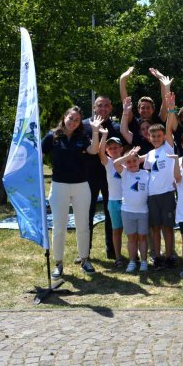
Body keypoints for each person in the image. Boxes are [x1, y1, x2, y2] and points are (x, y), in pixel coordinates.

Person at [42, 107, 102, 279]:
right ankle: (58, 263)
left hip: (81, 186)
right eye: (71, 118)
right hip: (59, 186)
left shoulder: (82, 137)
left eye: (77, 120)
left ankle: (84, 259)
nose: (73, 122)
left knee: (83, 226)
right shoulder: (52, 136)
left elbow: (94, 150)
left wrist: (96, 131)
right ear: (64, 117)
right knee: (59, 227)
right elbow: (39, 153)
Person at [82, 96, 121, 261]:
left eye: (106, 105)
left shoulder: (116, 127)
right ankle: (85, 252)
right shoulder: (84, 125)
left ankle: (112, 251)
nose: (103, 109)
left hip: (110, 178)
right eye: (100, 106)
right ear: (94, 107)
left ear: (111, 107)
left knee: (110, 213)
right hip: (88, 176)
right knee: (86, 214)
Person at [143, 122, 177, 270]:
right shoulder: (149, 155)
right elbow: (148, 172)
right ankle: (157, 256)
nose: (156, 138)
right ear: (149, 137)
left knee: (168, 228)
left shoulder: (168, 148)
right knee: (155, 228)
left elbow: (169, 128)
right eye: (153, 136)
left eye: (159, 136)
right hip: (152, 196)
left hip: (167, 194)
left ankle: (169, 256)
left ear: (164, 137)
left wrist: (170, 109)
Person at [113, 146, 150, 273]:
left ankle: (144, 261)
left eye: (134, 160)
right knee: (132, 238)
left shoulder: (146, 174)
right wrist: (128, 156)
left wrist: (134, 156)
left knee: (143, 238)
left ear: (139, 161)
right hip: (127, 211)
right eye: (129, 161)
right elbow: (115, 163)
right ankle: (132, 261)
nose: (132, 164)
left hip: (143, 211)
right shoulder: (124, 173)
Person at [98, 132, 126, 267]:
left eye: (116, 147)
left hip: (128, 202)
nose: (114, 150)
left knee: (133, 231)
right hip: (113, 202)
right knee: (116, 230)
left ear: (121, 148)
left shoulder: (128, 160)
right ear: (107, 151)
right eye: (110, 148)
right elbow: (100, 153)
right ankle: (118, 256)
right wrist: (103, 136)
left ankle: (135, 256)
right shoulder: (108, 163)